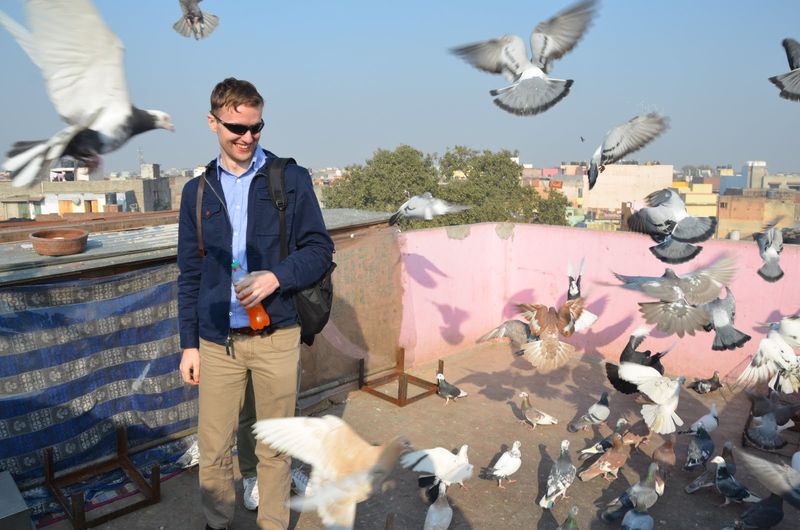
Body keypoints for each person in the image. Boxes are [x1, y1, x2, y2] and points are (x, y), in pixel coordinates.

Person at [177, 77, 334, 530]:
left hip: (276, 336)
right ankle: (216, 523)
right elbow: (189, 274)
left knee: (274, 448)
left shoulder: (290, 179)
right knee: (213, 449)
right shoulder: (197, 192)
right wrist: (190, 344)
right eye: (236, 128)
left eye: (256, 127)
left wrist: (276, 277)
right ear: (213, 123)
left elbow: (319, 250)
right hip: (217, 342)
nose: (247, 137)